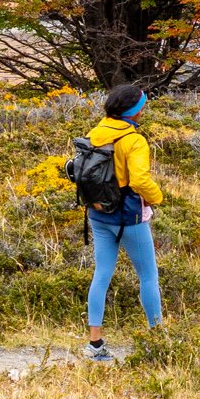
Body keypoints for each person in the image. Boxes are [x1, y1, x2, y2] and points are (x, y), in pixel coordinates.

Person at [78, 81, 165, 361]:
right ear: (135, 111)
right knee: (148, 276)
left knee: (101, 274)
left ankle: (95, 344)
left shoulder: (95, 132)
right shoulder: (134, 140)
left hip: (97, 211)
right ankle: (158, 339)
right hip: (129, 215)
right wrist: (158, 197)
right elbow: (139, 180)